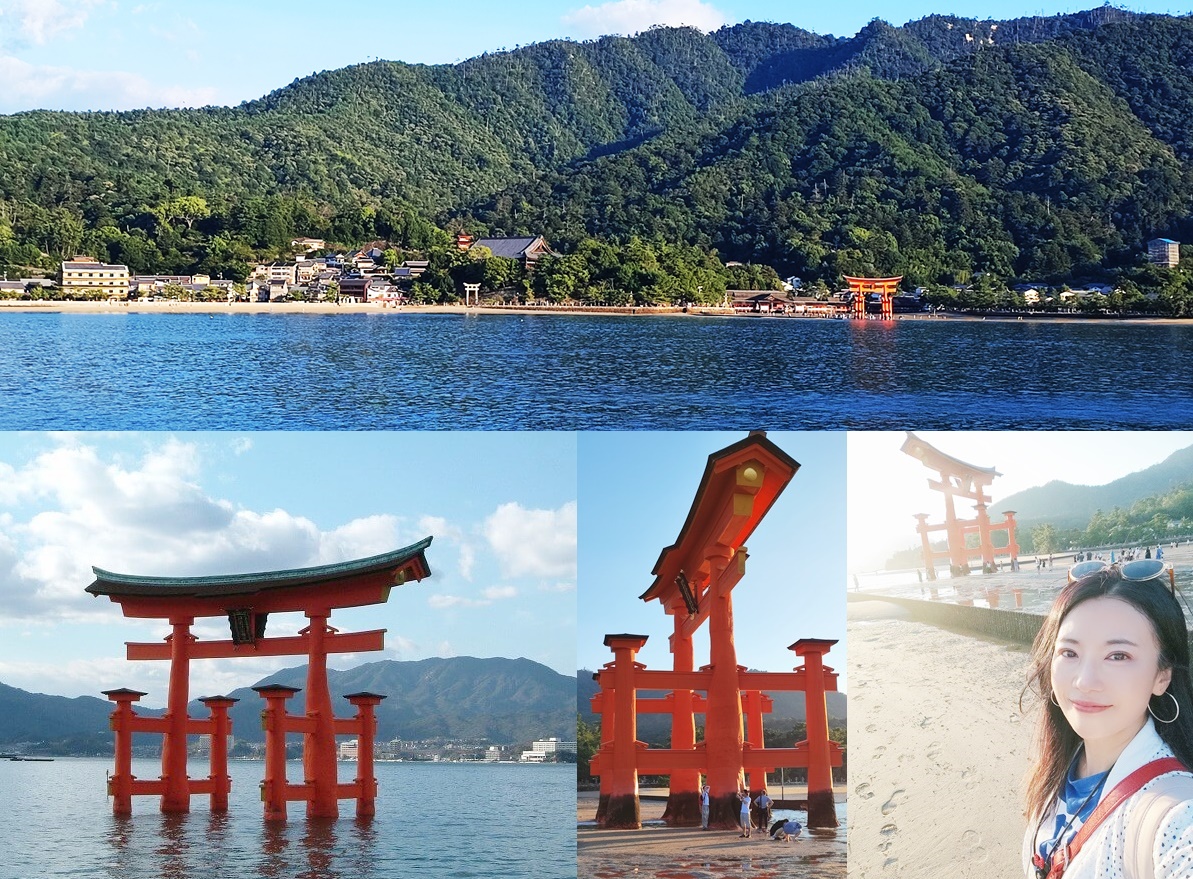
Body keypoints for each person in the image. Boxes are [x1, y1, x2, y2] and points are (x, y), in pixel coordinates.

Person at [1022, 562, 1193, 878]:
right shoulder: (1061, 765)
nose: (1085, 681)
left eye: (1118, 656)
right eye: (1070, 653)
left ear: (1162, 676)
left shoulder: (1176, 816)